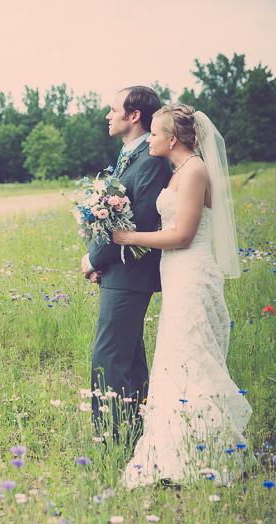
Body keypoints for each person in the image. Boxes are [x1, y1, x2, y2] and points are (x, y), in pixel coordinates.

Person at [112, 104, 252, 487]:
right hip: (174, 274)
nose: (150, 139)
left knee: (191, 355)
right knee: (177, 358)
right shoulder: (180, 171)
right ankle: (179, 446)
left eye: (155, 134)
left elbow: (182, 236)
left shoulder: (193, 172)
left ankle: (206, 449)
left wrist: (129, 237)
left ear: (172, 139)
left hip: (190, 272)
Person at [81, 86, 172, 438]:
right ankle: (135, 433)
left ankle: (110, 438)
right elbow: (109, 217)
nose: (107, 115)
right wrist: (96, 255)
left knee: (108, 359)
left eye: (113, 109)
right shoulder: (130, 155)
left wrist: (92, 258)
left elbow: (139, 223)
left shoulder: (150, 162)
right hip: (119, 270)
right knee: (129, 359)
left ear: (134, 116)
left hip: (131, 273)